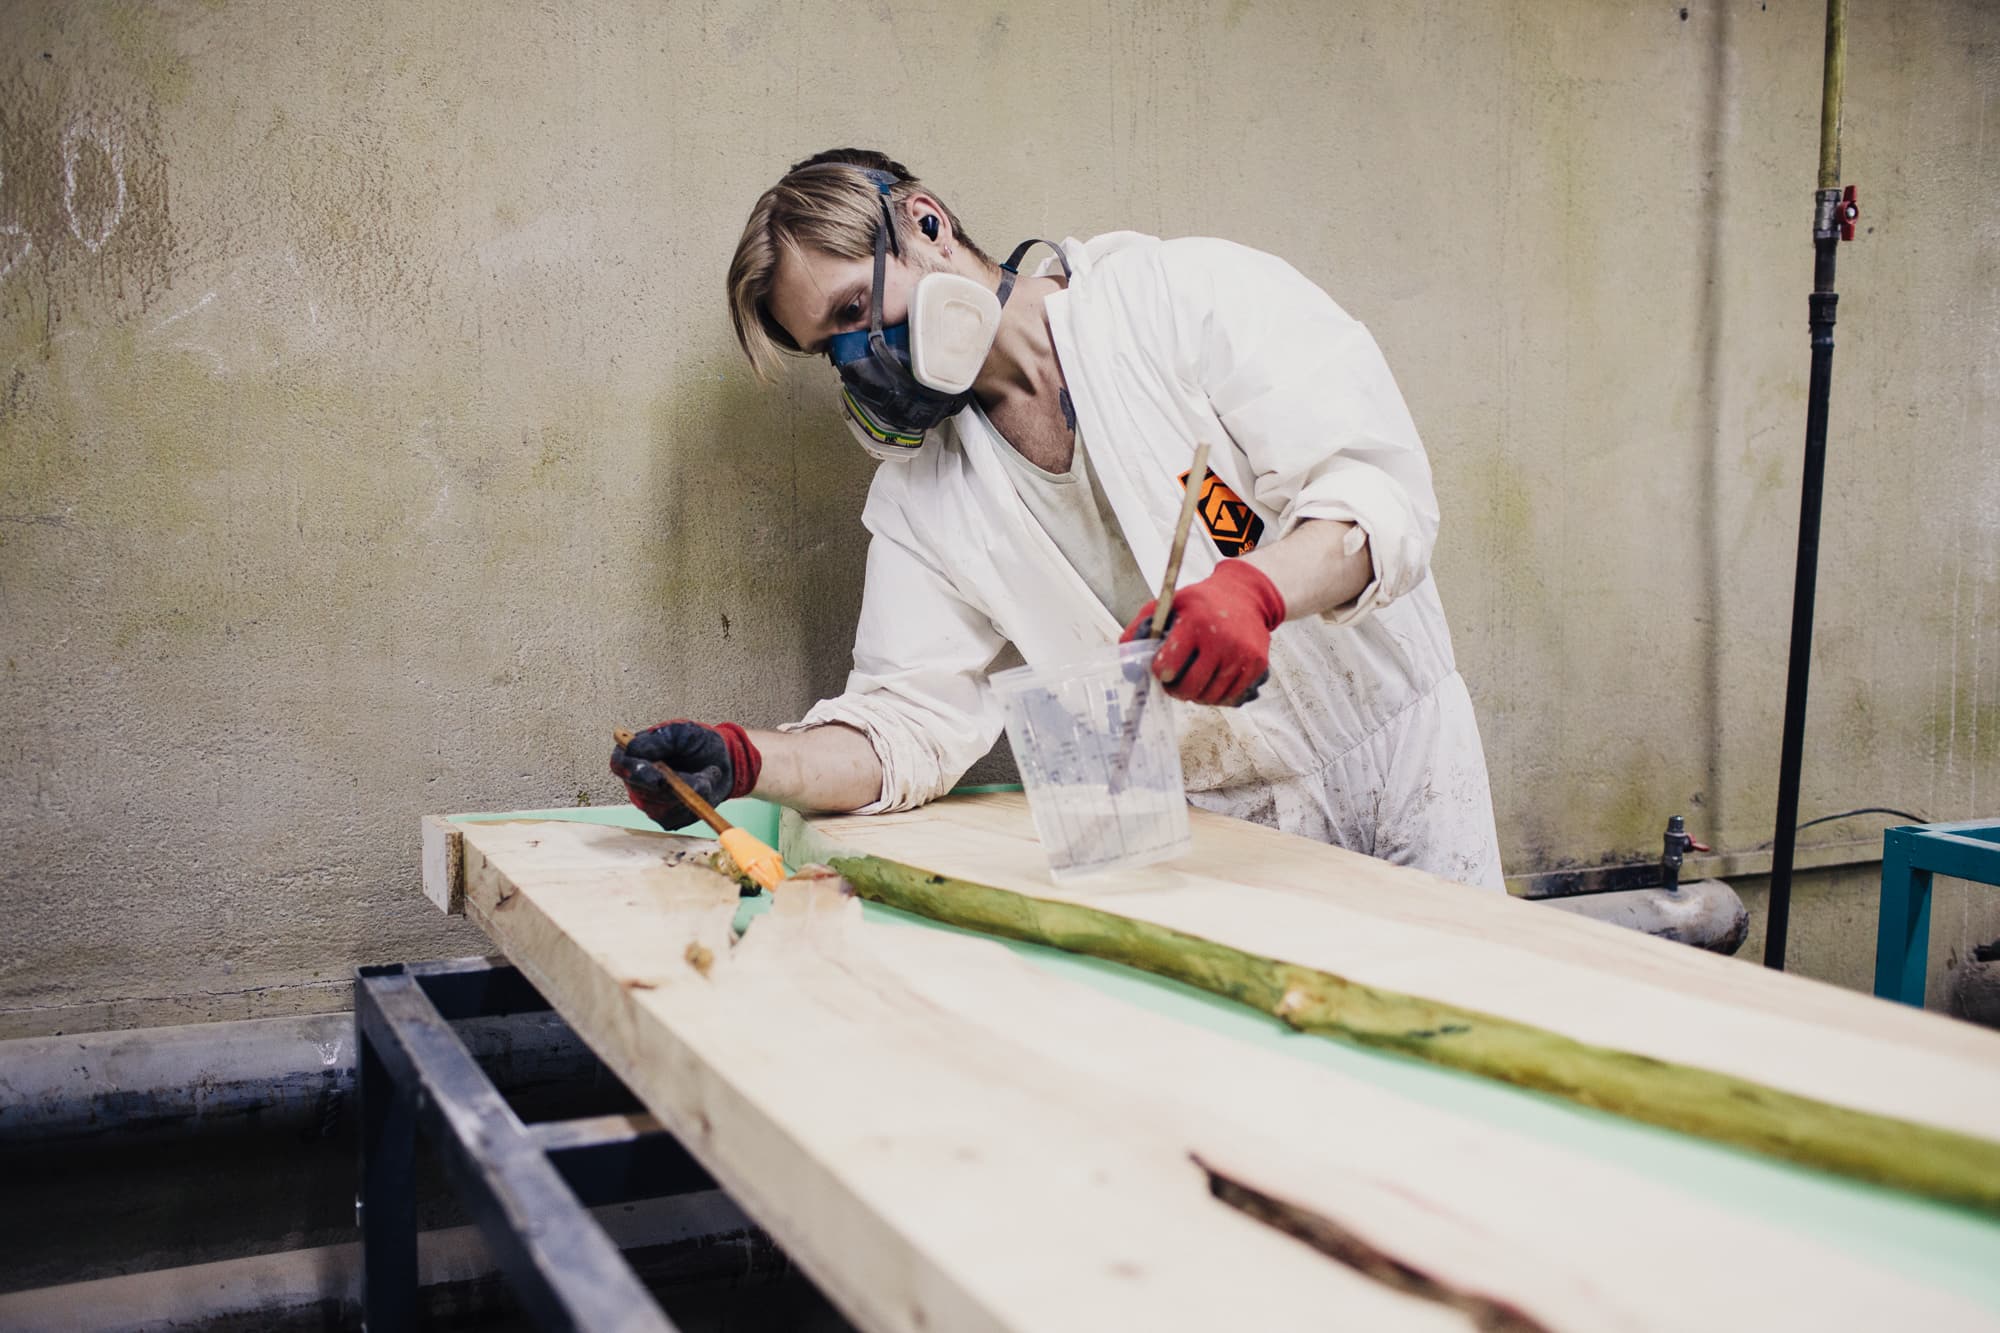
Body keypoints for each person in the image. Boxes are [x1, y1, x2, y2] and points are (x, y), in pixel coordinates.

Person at [611, 149, 1504, 890]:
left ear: (926, 222)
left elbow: (1373, 494)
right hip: (1216, 835)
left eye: (855, 309)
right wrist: (744, 761)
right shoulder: (928, 496)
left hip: (1401, 774)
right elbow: (905, 723)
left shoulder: (1176, 298)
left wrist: (1257, 591)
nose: (861, 359)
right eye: (831, 349)